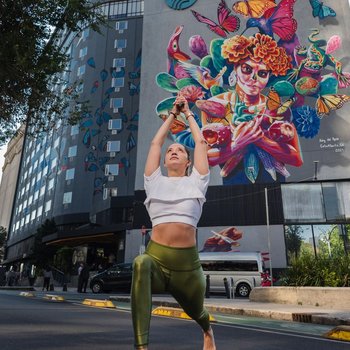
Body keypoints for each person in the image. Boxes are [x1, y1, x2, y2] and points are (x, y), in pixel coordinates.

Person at [131, 93, 216, 350]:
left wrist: (188, 113)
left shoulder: (197, 181)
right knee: (140, 262)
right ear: (165, 161)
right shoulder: (154, 182)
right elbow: (155, 144)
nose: (173, 151)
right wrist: (172, 114)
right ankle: (141, 346)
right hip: (156, 259)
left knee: (197, 312)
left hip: (187, 268)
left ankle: (207, 330)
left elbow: (200, 142)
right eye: (171, 150)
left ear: (188, 162)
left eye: (179, 149)